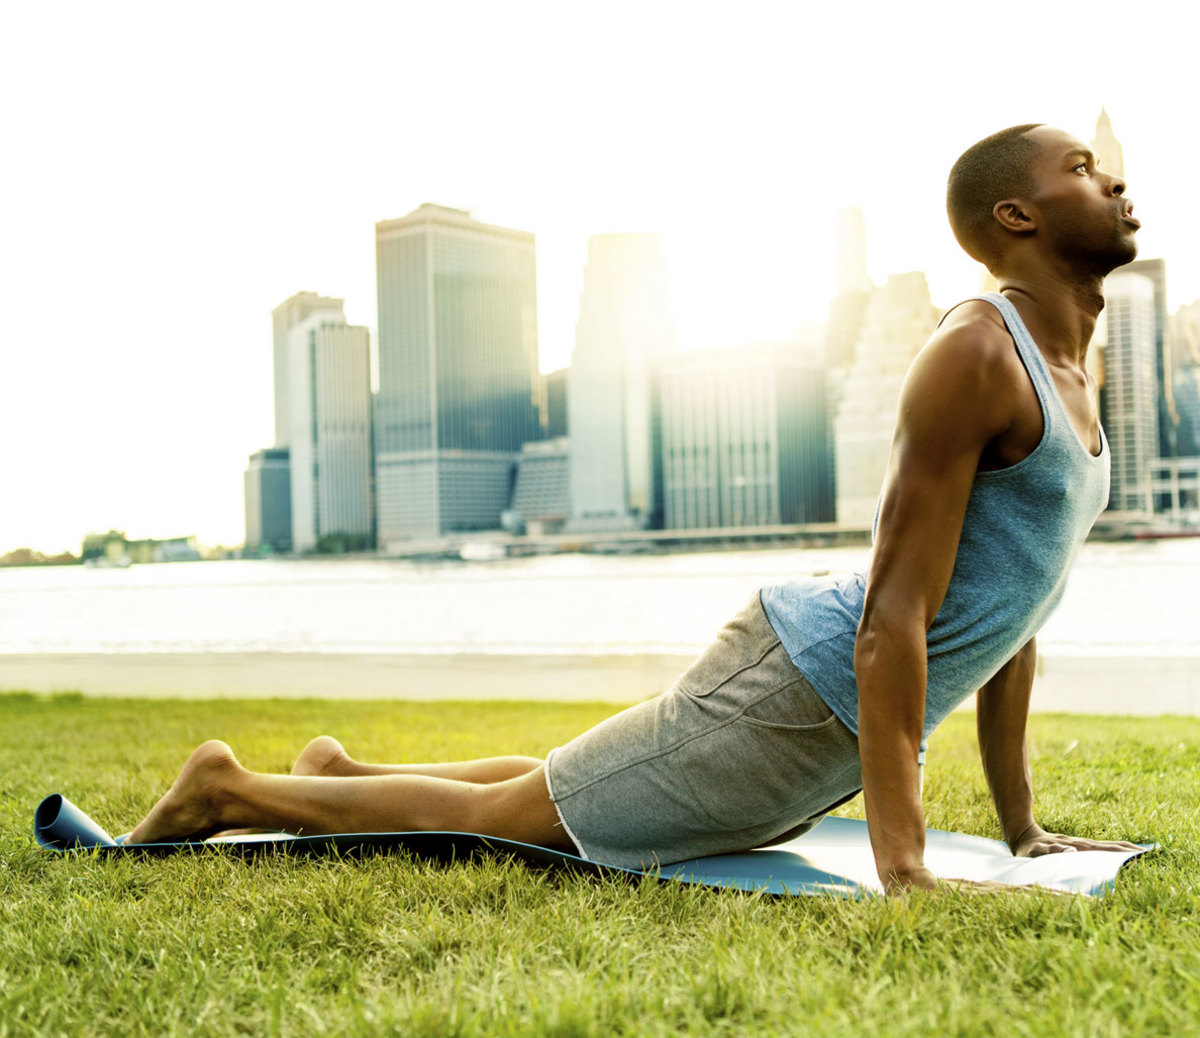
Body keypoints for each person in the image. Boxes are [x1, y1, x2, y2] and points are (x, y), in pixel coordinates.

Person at [128, 124, 1144, 892]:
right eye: (1083, 172)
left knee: (572, 788)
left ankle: (341, 772)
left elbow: (1016, 616)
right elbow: (889, 627)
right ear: (1019, 216)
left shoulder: (1074, 373)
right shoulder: (977, 356)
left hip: (828, 719)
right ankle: (229, 792)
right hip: (803, 691)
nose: (1116, 180)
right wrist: (904, 865)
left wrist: (1024, 829)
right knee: (522, 819)